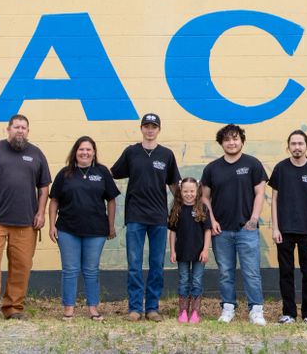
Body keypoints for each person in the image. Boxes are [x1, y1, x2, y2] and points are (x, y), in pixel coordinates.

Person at [0, 114, 51, 320]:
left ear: (28, 131)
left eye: (24, 127)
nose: (20, 130)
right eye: (16, 127)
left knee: (21, 266)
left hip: (25, 223)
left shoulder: (37, 154)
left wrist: (41, 213)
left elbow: (44, 188)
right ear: (8, 129)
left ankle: (13, 307)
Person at [111, 113, 181, 321]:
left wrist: (179, 209)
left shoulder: (166, 155)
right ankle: (134, 308)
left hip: (159, 216)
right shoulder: (131, 152)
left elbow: (174, 185)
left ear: (159, 130)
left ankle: (152, 308)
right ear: (141, 128)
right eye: (146, 126)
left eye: (154, 126)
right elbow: (113, 173)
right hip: (135, 215)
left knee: (157, 264)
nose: (150, 130)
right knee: (134, 263)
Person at [201, 124, 268, 325]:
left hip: (246, 230)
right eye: (227, 139)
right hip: (221, 231)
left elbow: (260, 193)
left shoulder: (253, 164)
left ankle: (256, 310)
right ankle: (227, 308)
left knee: (251, 272)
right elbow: (204, 198)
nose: (232, 142)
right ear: (221, 143)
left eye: (235, 138)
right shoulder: (212, 168)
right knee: (225, 272)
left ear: (242, 140)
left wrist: (254, 219)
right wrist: (212, 220)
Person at [48, 136, 120, 321]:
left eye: (88, 149)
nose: (85, 152)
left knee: (91, 270)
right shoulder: (65, 173)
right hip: (67, 229)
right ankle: (69, 309)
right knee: (70, 270)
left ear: (94, 152)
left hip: (96, 230)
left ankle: (93, 308)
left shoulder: (102, 172)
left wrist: (111, 225)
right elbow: (54, 200)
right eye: (81, 149)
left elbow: (111, 200)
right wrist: (51, 225)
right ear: (75, 152)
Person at [269, 129, 307, 324]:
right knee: (286, 273)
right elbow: (274, 200)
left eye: (300, 143)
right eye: (293, 144)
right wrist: (275, 228)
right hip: (284, 230)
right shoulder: (280, 169)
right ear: (288, 147)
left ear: (306, 146)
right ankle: (289, 313)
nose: (297, 147)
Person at [168, 178, 211, 324]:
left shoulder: (202, 208)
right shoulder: (177, 209)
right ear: (180, 190)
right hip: (182, 253)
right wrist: (172, 251)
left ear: (197, 190)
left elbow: (207, 231)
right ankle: (183, 311)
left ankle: (195, 312)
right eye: (185, 191)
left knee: (197, 281)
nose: (189, 194)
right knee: (184, 281)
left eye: (192, 191)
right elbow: (172, 232)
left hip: (199, 253)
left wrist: (205, 250)